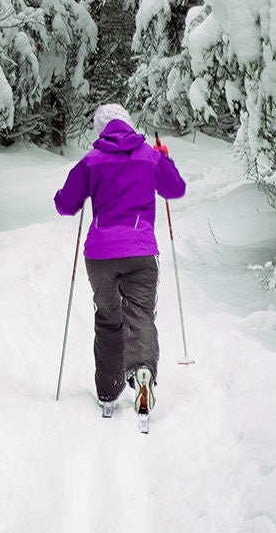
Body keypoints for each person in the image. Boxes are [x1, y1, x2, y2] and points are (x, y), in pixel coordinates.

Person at [54, 104, 186, 417]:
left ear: (101, 130)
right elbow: (175, 188)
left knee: (108, 318)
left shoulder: (91, 160)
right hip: (140, 252)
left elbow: (65, 205)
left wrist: (77, 191)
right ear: (128, 124)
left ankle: (108, 392)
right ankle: (142, 373)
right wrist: (164, 159)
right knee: (140, 314)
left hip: (100, 255)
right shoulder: (149, 155)